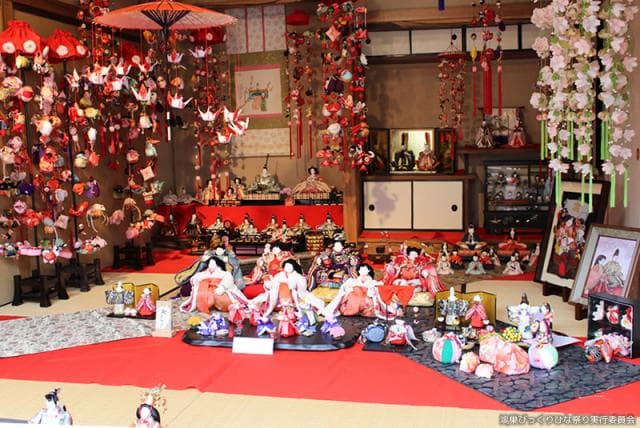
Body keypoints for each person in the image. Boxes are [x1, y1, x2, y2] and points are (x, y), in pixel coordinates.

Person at [252, 259, 325, 317]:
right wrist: (269, 284)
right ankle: (269, 309)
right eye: (286, 266)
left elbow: (302, 288)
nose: (287, 268)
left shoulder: (298, 276)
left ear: (294, 267)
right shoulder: (280, 275)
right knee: (268, 295)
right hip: (279, 297)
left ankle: (298, 310)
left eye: (289, 266)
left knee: (310, 302)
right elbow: (273, 283)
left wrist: (295, 286)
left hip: (294, 297)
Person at [179, 257, 248, 313]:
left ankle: (221, 305)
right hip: (206, 289)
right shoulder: (204, 273)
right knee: (201, 294)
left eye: (213, 264)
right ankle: (206, 305)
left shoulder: (224, 273)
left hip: (219, 289)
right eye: (209, 264)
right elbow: (195, 278)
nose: (211, 266)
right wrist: (200, 282)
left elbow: (229, 280)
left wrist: (222, 287)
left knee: (222, 298)